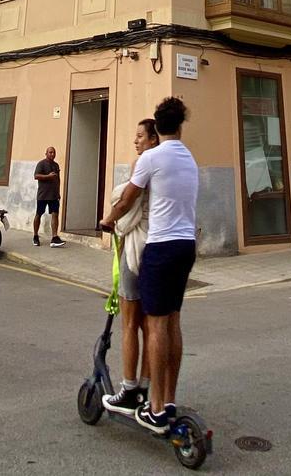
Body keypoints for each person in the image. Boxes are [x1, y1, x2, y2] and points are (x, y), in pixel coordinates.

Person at [99, 97, 198, 434]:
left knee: (154, 326)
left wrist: (108, 219)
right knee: (172, 323)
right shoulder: (189, 158)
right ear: (181, 124)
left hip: (161, 247)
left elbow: (128, 197)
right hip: (187, 247)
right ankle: (168, 400)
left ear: (157, 127)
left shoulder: (152, 159)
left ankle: (154, 409)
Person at [101, 119, 160, 417]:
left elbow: (126, 202)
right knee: (151, 326)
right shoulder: (167, 165)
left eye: (140, 136)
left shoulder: (144, 162)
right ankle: (147, 388)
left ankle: (128, 388)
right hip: (156, 248)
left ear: (153, 138)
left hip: (136, 246)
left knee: (129, 323)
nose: (135, 141)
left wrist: (109, 219)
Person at [33, 146, 66, 247]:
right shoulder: (41, 164)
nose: (52, 154)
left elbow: (58, 180)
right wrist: (48, 176)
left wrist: (58, 192)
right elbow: (36, 176)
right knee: (39, 214)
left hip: (54, 195)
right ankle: (35, 236)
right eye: (50, 152)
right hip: (43, 195)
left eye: (54, 152)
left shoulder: (56, 165)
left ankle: (54, 237)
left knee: (55, 214)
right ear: (46, 153)